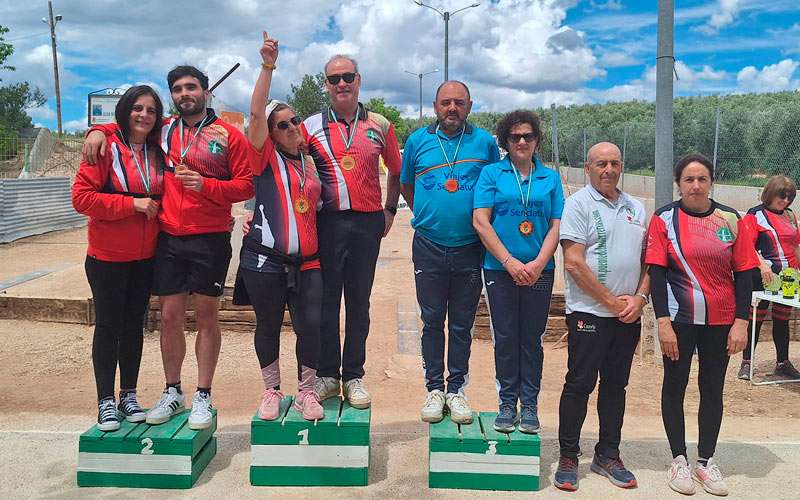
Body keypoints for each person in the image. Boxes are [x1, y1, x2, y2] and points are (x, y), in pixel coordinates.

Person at [82, 65, 253, 430]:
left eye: (191, 87)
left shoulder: (228, 135)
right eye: (177, 89)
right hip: (169, 238)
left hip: (210, 238)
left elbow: (245, 186)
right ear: (172, 96)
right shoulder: (164, 130)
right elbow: (129, 127)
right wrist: (98, 129)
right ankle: (172, 391)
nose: (184, 93)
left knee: (207, 318)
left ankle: (203, 394)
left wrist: (207, 186)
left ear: (206, 92)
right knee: (170, 318)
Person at [646, 154, 756, 496]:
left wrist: (741, 322)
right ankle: (678, 458)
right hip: (679, 321)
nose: (695, 185)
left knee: (712, 389)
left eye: (702, 179)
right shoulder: (664, 218)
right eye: (689, 179)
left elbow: (745, 274)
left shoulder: (731, 219)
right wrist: (662, 322)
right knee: (675, 386)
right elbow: (657, 273)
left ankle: (705, 462)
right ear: (679, 183)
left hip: (721, 321)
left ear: (711, 182)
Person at [300, 55, 403, 409]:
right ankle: (328, 374)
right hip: (326, 222)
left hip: (367, 224)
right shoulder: (310, 125)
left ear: (359, 80)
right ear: (326, 85)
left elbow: (396, 169)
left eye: (348, 77)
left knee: (359, 302)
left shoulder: (380, 124)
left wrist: (390, 209)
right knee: (327, 301)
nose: (341, 84)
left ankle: (354, 375)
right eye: (334, 79)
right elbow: (286, 166)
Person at [400, 81, 500, 424]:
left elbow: (494, 186)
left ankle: (456, 389)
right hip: (428, 244)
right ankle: (433, 389)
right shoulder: (417, 141)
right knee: (431, 321)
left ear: (470, 105)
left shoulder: (485, 143)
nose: (452, 108)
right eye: (446, 102)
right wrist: (429, 216)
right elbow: (406, 185)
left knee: (461, 324)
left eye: (459, 102)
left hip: (471, 247)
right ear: (435, 105)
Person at [235, 32, 324, 421]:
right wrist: (268, 65)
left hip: (308, 262)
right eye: (282, 125)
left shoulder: (312, 161)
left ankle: (307, 391)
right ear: (269, 134)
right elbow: (255, 115)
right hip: (265, 261)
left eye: (294, 120)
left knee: (312, 326)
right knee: (268, 326)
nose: (291, 127)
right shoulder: (264, 159)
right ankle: (271, 390)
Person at [554, 142, 649, 492]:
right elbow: (574, 262)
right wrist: (610, 302)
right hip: (590, 312)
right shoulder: (578, 204)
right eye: (601, 164)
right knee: (579, 384)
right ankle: (568, 456)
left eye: (614, 163)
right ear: (588, 168)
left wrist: (639, 299)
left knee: (615, 386)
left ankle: (608, 454)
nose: (608, 169)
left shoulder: (635, 207)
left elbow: (649, 261)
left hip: (627, 315)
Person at [72, 85, 165, 431]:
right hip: (108, 257)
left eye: (151, 111)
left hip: (145, 257)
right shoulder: (105, 147)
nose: (143, 115)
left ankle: (128, 395)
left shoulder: (158, 149)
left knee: (134, 327)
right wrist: (132, 204)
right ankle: (105, 401)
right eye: (137, 109)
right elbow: (81, 198)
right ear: (124, 111)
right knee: (109, 326)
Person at [473, 110, 563, 433]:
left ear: (537, 140)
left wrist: (539, 263)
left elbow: (556, 225)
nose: (522, 141)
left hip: (541, 271)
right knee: (506, 338)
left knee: (532, 340)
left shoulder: (550, 178)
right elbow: (480, 221)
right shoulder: (492, 174)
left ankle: (530, 405)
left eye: (527, 136)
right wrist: (509, 262)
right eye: (515, 137)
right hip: (499, 269)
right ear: (505, 141)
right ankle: (507, 403)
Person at [738, 175, 800, 380]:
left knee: (782, 319)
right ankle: (747, 363)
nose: (785, 201)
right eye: (781, 196)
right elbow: (746, 245)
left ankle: (782, 362)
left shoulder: (790, 216)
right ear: (770, 194)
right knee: (756, 318)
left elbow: (795, 245)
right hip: (763, 276)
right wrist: (763, 266)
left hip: (789, 278)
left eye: (789, 197)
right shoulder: (755, 215)